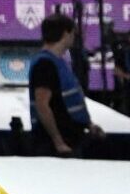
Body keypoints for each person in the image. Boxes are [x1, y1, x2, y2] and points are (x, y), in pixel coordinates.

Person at [28, 12, 103, 158]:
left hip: (71, 138)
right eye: (73, 33)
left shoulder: (58, 62)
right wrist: (58, 142)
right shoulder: (45, 64)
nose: (74, 37)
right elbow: (42, 105)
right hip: (57, 145)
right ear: (65, 34)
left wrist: (88, 124)